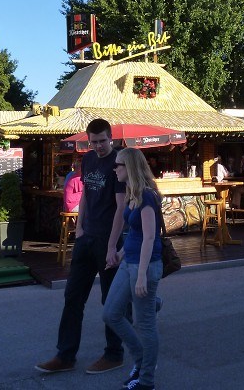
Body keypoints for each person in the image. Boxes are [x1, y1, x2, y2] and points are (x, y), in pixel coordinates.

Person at [36, 118, 126, 375]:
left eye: (103, 141)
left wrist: (112, 246)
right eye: (94, 142)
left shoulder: (119, 162)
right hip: (87, 238)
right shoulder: (87, 160)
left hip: (108, 239)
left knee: (110, 300)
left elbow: (121, 206)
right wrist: (80, 227)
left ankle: (114, 353)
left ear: (111, 138)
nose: (98, 146)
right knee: (73, 296)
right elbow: (85, 194)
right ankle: (65, 355)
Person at [102, 147, 163, 390]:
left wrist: (141, 276)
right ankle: (141, 360)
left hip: (144, 266)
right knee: (110, 314)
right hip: (129, 262)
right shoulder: (132, 194)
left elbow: (149, 237)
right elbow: (135, 234)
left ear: (130, 167)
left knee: (145, 324)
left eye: (118, 165)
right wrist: (119, 254)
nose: (114, 169)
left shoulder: (147, 196)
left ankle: (146, 380)